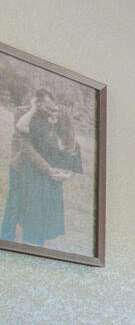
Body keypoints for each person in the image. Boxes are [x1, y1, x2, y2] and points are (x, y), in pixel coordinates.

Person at [2, 91, 78, 247]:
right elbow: (27, 148)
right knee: (15, 203)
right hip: (21, 165)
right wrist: (48, 169)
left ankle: (36, 242)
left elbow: (71, 143)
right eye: (47, 107)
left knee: (40, 205)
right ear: (36, 104)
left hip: (43, 168)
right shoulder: (22, 113)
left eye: (54, 107)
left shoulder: (60, 113)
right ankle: (5, 240)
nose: (52, 111)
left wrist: (68, 171)